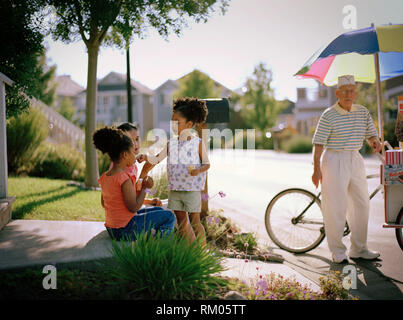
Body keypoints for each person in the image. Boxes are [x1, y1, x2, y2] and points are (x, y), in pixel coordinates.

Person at [311, 75, 381, 264]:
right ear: (338, 93)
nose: (349, 94)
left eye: (352, 91)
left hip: (355, 158)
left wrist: (375, 141)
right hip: (333, 158)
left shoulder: (362, 112)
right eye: (345, 91)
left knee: (361, 204)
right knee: (336, 207)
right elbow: (318, 145)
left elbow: (371, 135)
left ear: (356, 93)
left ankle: (359, 248)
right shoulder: (328, 115)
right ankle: (337, 251)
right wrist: (316, 169)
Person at [138, 97, 210, 245]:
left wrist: (197, 170)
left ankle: (202, 253)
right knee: (181, 220)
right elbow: (157, 159)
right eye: (172, 121)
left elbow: (207, 164)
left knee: (195, 220)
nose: (173, 124)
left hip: (191, 189)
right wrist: (146, 157)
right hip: (175, 189)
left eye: (177, 122)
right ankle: (191, 252)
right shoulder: (171, 143)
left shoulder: (198, 143)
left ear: (189, 124)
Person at [93, 126, 175, 241]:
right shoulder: (124, 178)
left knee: (160, 211)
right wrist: (145, 188)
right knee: (169, 217)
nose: (135, 155)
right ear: (124, 155)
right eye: (132, 152)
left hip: (112, 228)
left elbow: (104, 203)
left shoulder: (105, 177)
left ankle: (152, 238)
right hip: (126, 229)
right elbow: (134, 207)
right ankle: (160, 245)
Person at [113, 122, 163, 208]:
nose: (135, 144)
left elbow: (133, 194)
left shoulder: (131, 165)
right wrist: (145, 171)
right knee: (173, 210)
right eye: (131, 140)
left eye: (136, 139)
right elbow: (131, 203)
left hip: (133, 208)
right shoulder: (122, 168)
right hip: (129, 214)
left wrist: (149, 202)